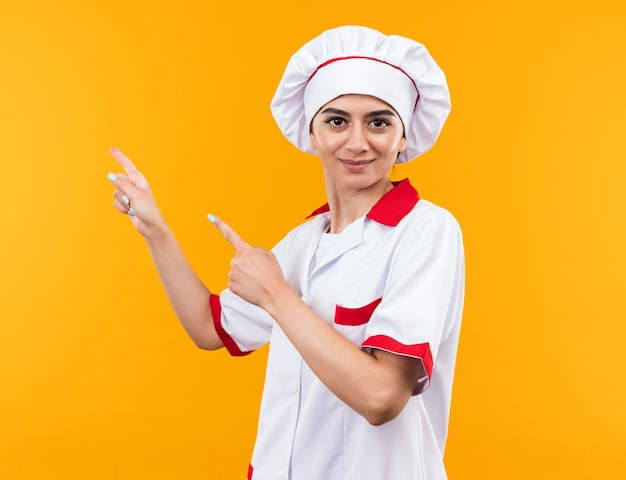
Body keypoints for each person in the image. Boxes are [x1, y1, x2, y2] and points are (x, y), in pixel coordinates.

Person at [107, 25, 464, 480]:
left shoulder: (427, 231)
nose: (357, 142)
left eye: (379, 121)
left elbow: (382, 398)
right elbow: (208, 327)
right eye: (336, 121)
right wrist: (155, 230)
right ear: (311, 133)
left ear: (403, 137)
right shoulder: (303, 241)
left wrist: (275, 293)